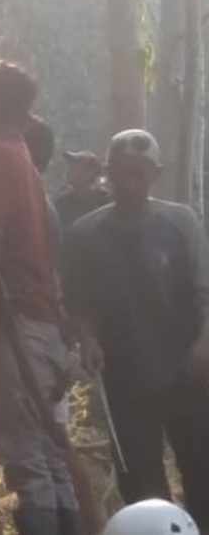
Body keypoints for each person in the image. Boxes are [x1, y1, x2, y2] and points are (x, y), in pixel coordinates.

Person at [62, 129, 209, 527]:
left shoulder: (182, 222)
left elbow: (203, 290)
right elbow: (79, 303)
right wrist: (88, 339)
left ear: (155, 174)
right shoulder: (84, 235)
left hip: (188, 373)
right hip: (125, 376)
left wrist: (203, 345)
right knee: (141, 480)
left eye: (139, 174)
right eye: (122, 173)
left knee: (201, 467)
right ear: (108, 172)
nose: (130, 183)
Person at [0, 62, 78, 534]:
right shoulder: (24, 159)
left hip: (16, 325)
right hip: (43, 325)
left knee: (26, 457)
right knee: (49, 455)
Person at [54, 150, 111, 230]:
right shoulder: (62, 201)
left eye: (75, 164)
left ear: (90, 172)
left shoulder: (105, 201)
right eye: (70, 164)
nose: (70, 167)